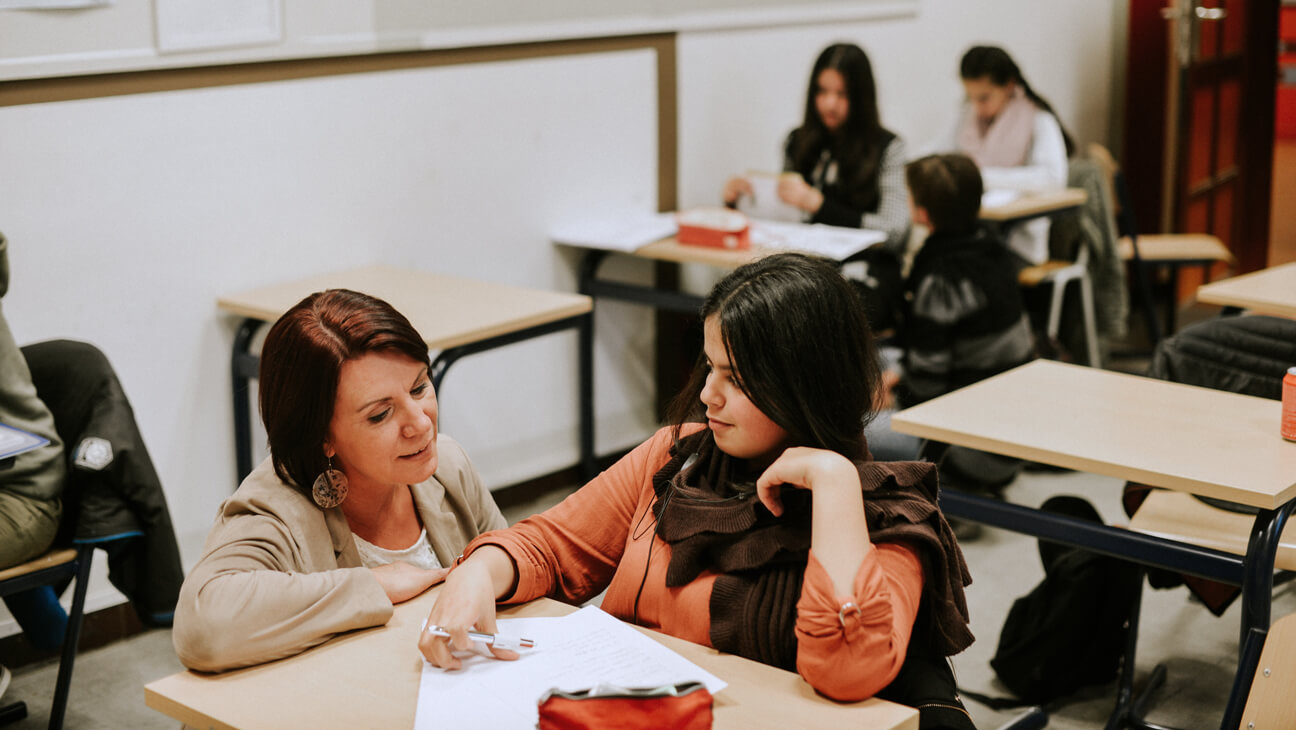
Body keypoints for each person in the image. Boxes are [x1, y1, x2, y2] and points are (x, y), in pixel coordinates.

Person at [420, 254, 974, 720]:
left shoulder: (884, 519)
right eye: (710, 367)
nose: (709, 395)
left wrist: (833, 482)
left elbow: (847, 667)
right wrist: (478, 572)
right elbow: (552, 545)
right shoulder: (676, 458)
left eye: (736, 378)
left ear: (806, 385)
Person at [172, 289, 507, 672]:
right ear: (322, 437)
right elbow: (204, 626)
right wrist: (375, 585)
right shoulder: (273, 506)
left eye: (419, 388)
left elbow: (519, 580)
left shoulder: (448, 465)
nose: (420, 422)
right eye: (381, 415)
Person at [870, 155, 1035, 538]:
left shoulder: (940, 278)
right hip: (1013, 428)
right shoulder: (993, 251)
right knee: (879, 360)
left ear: (922, 212)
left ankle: (947, 489)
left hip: (970, 445)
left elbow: (927, 386)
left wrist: (892, 393)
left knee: (845, 422)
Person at [722, 43, 910, 331]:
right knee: (741, 308)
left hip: (865, 271)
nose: (828, 104)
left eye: (841, 94)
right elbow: (783, 220)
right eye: (821, 92)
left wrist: (819, 205)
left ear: (861, 98)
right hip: (805, 266)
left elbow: (894, 231)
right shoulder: (799, 141)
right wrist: (741, 202)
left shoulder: (888, 148)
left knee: (815, 318)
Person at [925, 45, 1073, 267]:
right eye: (970, 97)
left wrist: (979, 176)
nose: (976, 106)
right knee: (934, 260)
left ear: (1009, 86)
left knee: (961, 267)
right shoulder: (968, 115)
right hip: (973, 230)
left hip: (1018, 242)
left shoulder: (1038, 118)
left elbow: (1053, 179)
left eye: (984, 98)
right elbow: (937, 151)